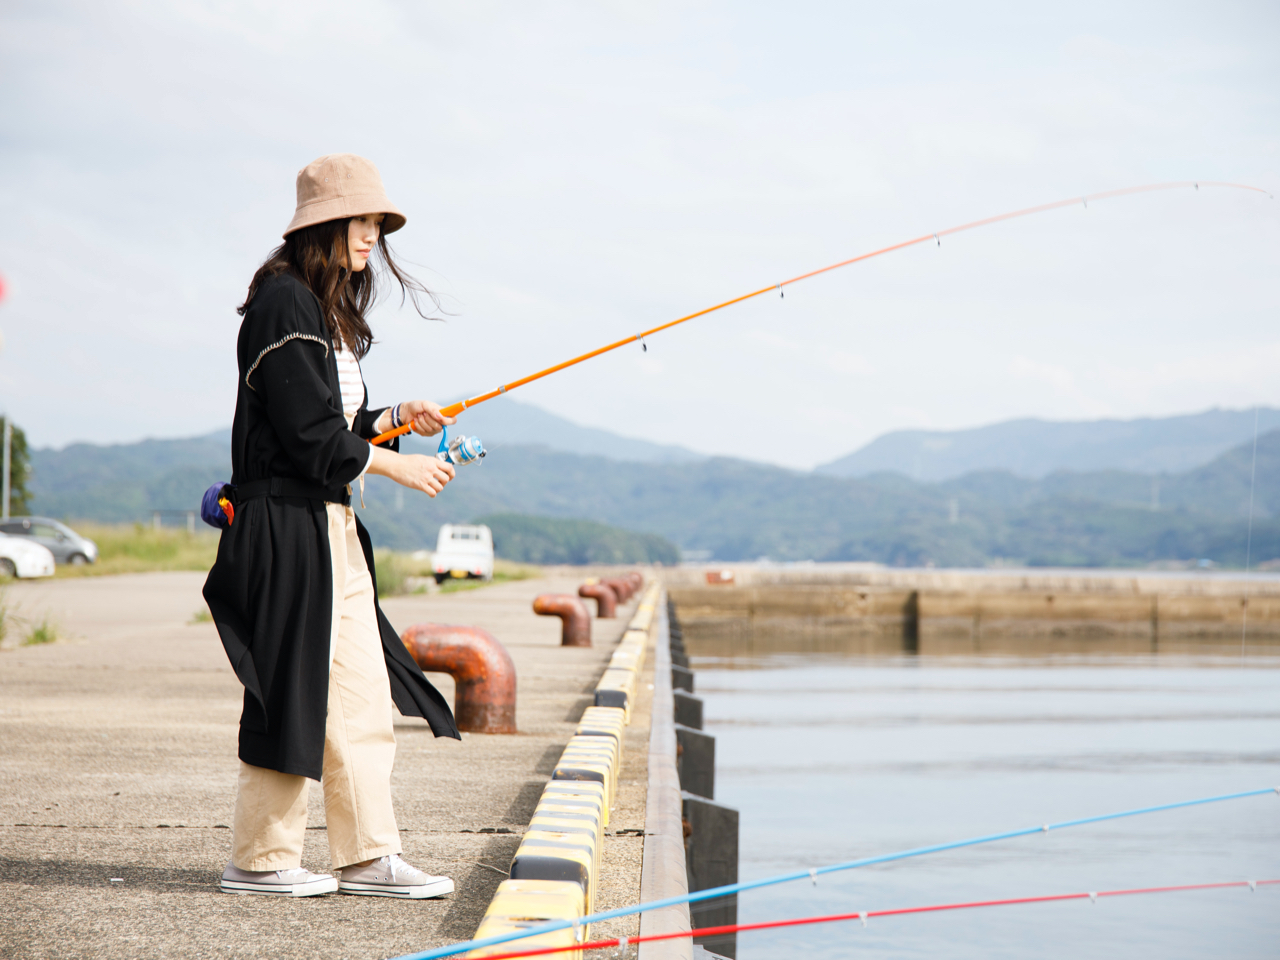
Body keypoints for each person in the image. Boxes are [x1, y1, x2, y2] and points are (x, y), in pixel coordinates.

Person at [204, 154, 462, 898]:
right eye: (361, 221)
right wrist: (397, 466)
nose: (372, 236)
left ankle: (368, 856)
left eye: (378, 223)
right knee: (288, 691)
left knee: (359, 693)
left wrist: (394, 419)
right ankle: (260, 859)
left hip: (330, 524)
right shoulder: (283, 301)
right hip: (285, 525)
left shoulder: (323, 309)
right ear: (324, 225)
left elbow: (335, 422)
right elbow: (308, 437)